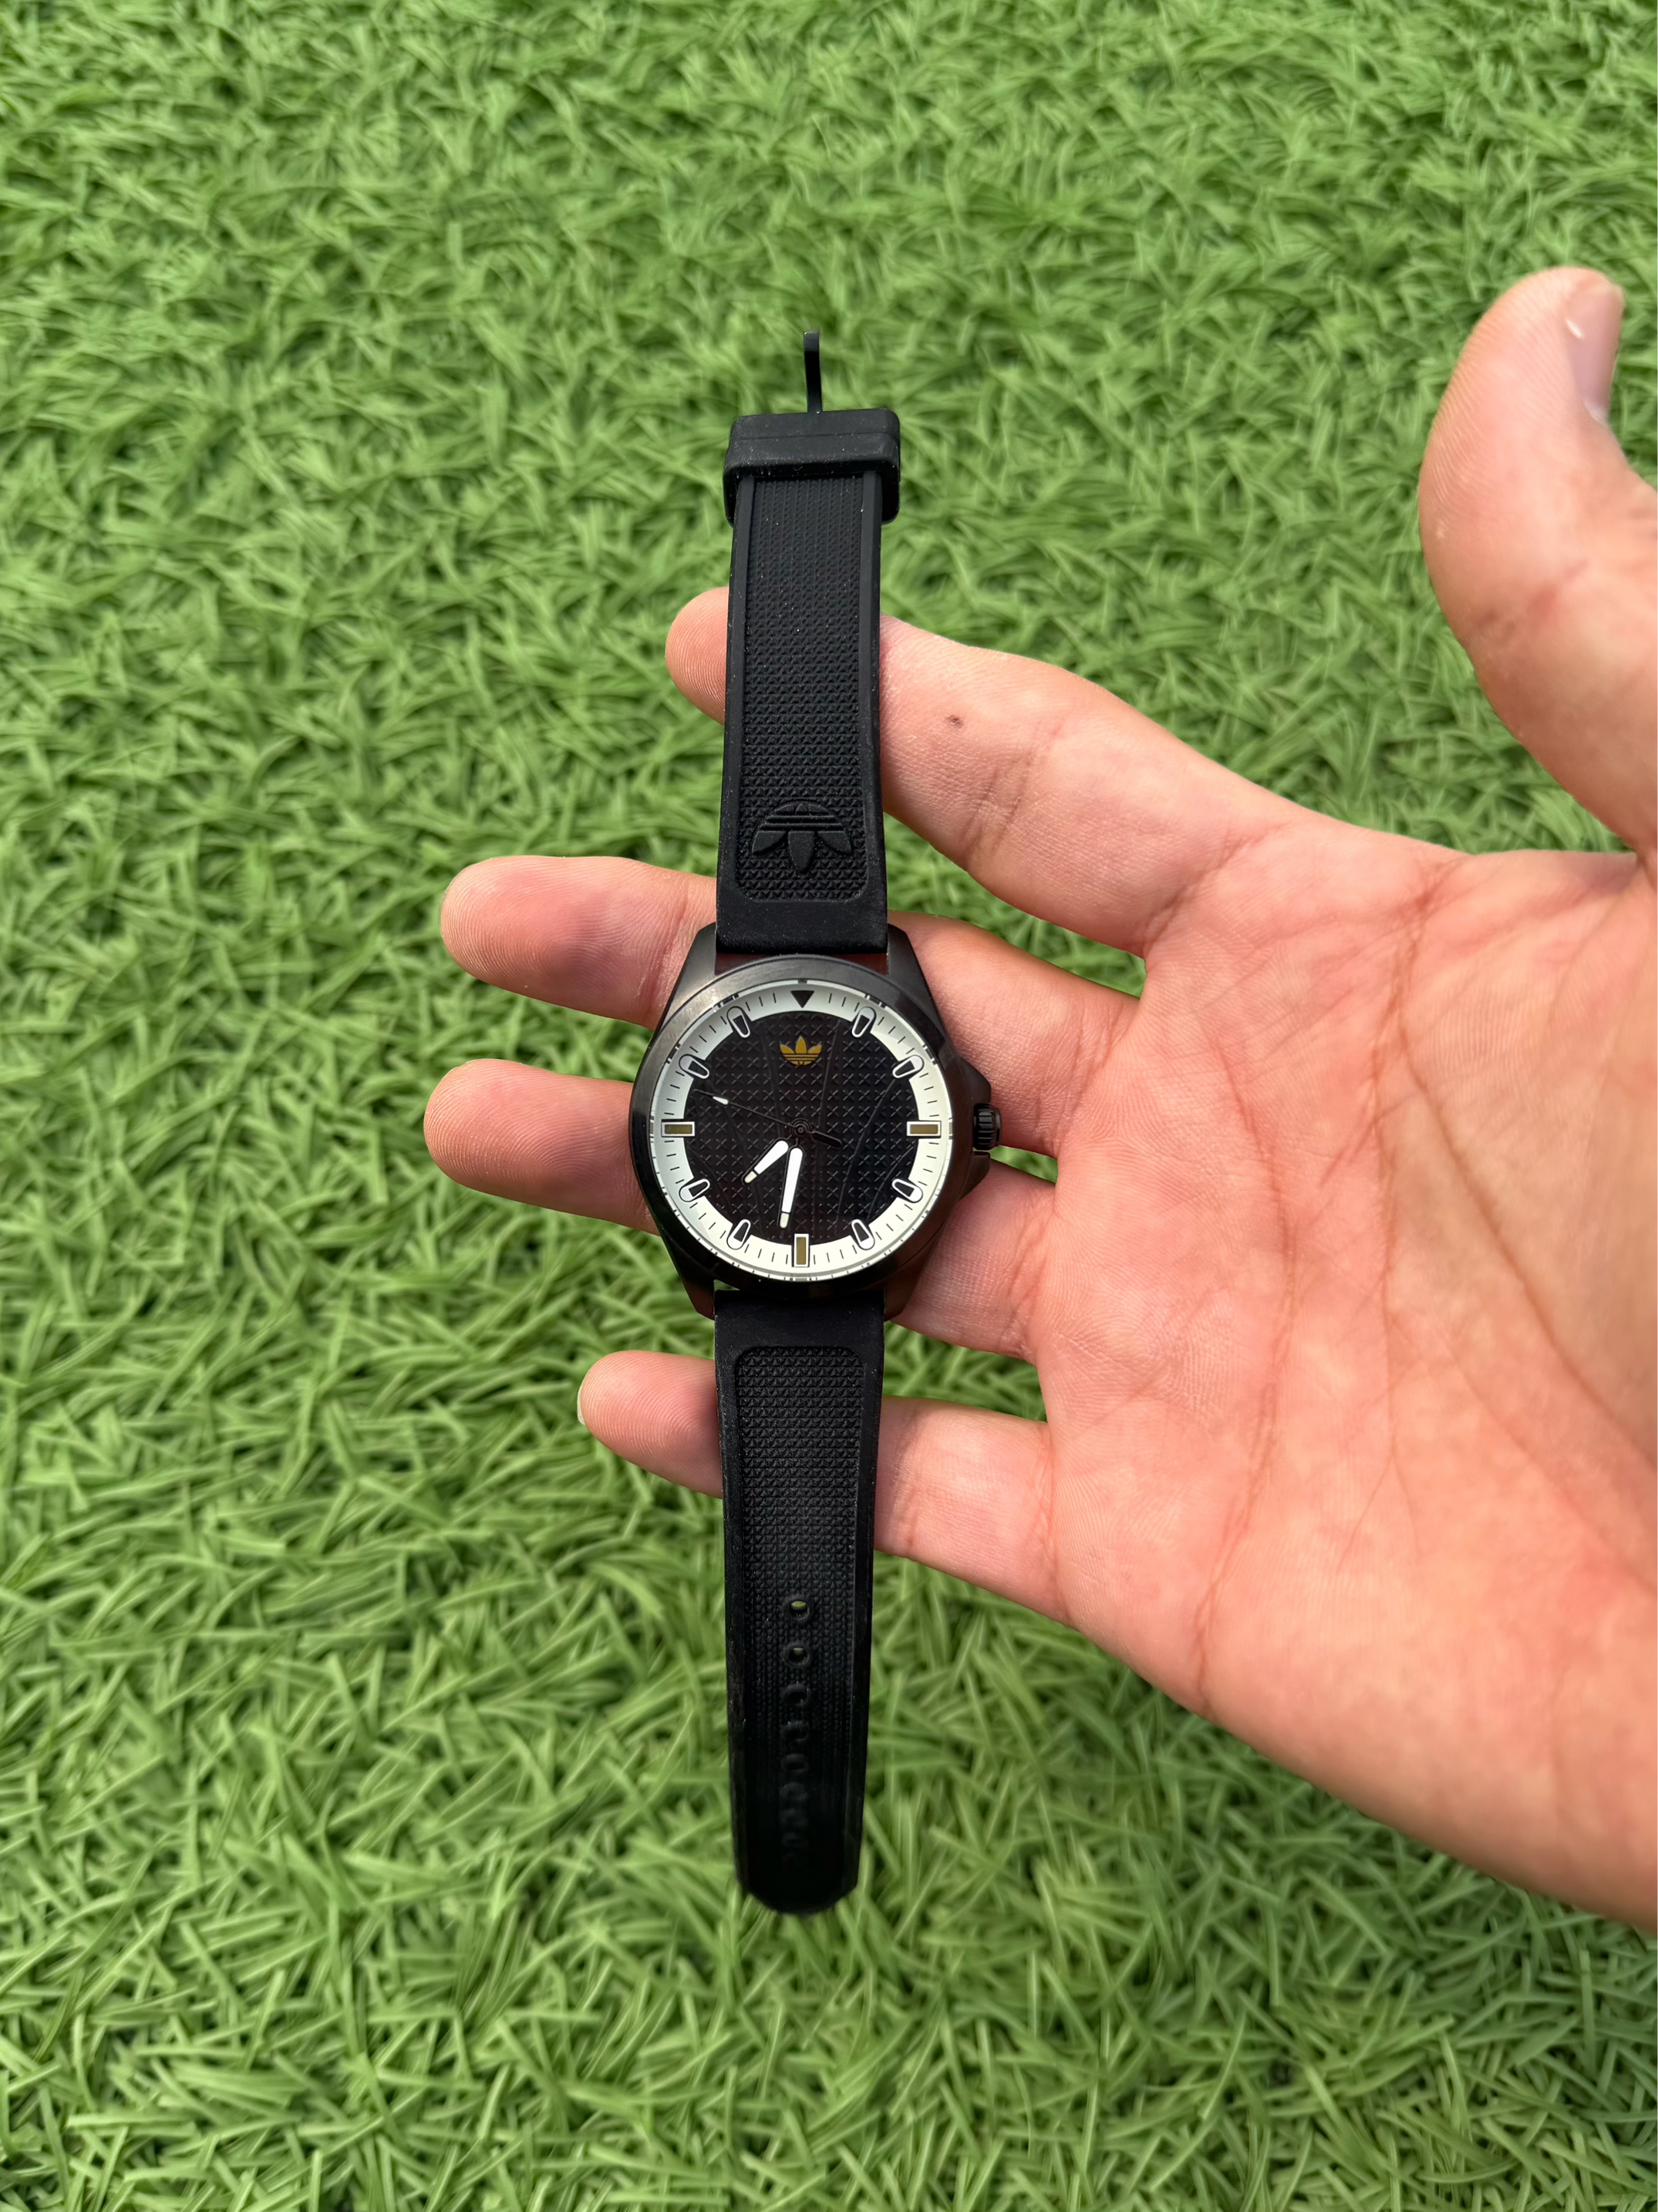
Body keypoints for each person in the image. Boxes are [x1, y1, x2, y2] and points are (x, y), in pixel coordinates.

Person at [426, 268, 1655, 1928]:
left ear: (959, 1117)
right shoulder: (840, 1097)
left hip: (792, 1265)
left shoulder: (810, 1108)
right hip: (793, 1262)